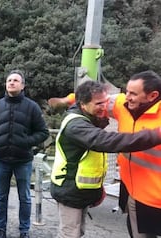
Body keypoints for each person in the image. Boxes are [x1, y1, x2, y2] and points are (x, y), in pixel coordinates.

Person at [48, 70, 161, 237]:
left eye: (132, 93)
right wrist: (66, 100)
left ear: (152, 96)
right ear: (83, 104)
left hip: (155, 196)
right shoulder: (118, 106)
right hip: (133, 193)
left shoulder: (96, 109)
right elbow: (107, 141)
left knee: (75, 231)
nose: (125, 96)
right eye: (126, 91)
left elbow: (95, 98)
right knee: (71, 232)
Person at [0, 70, 49, 238]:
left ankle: (24, 230)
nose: (12, 82)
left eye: (15, 80)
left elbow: (43, 132)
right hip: (1, 159)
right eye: (9, 80)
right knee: (1, 197)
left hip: (23, 160)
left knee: (25, 197)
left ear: (22, 85)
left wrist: (26, 142)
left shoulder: (31, 106)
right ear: (6, 84)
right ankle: (0, 229)